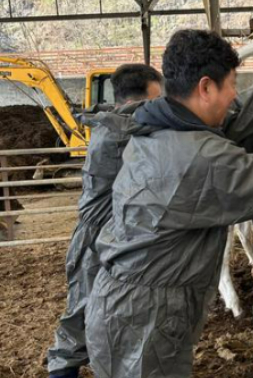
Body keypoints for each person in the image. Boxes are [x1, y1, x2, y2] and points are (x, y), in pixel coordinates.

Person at [84, 29, 253, 378]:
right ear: (206, 87)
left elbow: (235, 114)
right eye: (232, 84)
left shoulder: (154, 121)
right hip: (147, 322)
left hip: (122, 305)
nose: (235, 94)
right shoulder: (199, 159)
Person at [47, 63, 164, 378]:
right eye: (157, 97)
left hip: (114, 236)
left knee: (111, 319)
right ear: (137, 100)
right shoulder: (117, 131)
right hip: (95, 242)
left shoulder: (118, 122)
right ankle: (61, 373)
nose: (161, 104)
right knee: (82, 317)